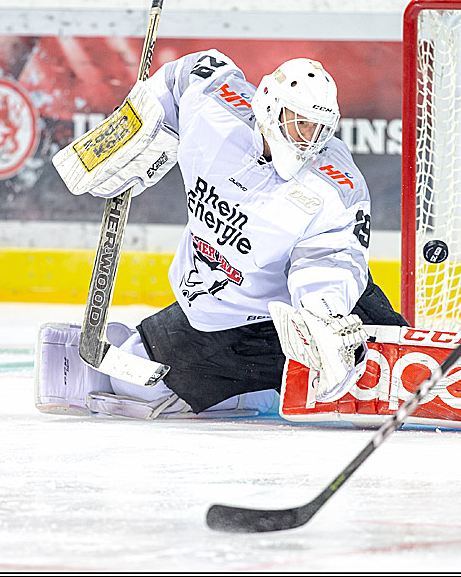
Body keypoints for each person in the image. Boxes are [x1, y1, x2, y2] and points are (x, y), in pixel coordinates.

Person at [38, 50, 408, 421]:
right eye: (300, 123)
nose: (308, 139)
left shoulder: (335, 183)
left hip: (295, 321)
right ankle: (258, 391)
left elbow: (332, 256)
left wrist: (323, 315)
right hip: (218, 318)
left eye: (319, 128)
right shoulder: (217, 113)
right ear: (270, 107)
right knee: (132, 384)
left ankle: (342, 361)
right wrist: (139, 124)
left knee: (376, 371)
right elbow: (187, 74)